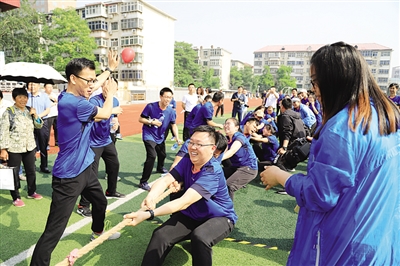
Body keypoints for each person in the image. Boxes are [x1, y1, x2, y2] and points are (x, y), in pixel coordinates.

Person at [260, 42, 400, 265]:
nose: (314, 89)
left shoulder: (342, 127)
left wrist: (280, 176)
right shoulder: (384, 116)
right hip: (378, 239)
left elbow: (320, 195)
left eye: (315, 82)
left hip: (342, 246)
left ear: (334, 80)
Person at [31, 50, 121, 266]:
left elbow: (94, 81)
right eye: (87, 80)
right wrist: (111, 94)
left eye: (93, 80)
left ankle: (97, 231)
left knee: (99, 201)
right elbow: (107, 113)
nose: (92, 84)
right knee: (54, 229)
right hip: (69, 175)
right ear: (73, 78)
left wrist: (108, 70)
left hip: (85, 167)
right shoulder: (76, 104)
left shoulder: (71, 94)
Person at [124, 125, 237, 266]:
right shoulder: (187, 160)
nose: (193, 147)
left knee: (200, 237)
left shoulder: (212, 171)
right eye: (191, 142)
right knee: (161, 235)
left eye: (199, 144)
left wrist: (149, 214)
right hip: (193, 213)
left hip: (218, 217)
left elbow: (182, 202)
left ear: (212, 148)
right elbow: (166, 179)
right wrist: (151, 196)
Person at [76, 78, 125, 217]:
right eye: (105, 87)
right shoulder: (94, 101)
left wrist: (115, 122)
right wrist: (109, 112)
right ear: (102, 87)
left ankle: (111, 190)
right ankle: (83, 205)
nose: (107, 90)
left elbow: (114, 117)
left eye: (111, 88)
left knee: (114, 165)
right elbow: (93, 117)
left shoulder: (114, 101)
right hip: (92, 143)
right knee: (92, 175)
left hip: (106, 139)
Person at [0, 87, 44, 207]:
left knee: (31, 171)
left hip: (29, 146)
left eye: (25, 97)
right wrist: (3, 149)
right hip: (14, 148)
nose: (23, 100)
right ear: (14, 98)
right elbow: (3, 131)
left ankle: (31, 191)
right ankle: (16, 197)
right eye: (20, 97)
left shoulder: (30, 110)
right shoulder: (9, 112)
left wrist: (35, 115)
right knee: (14, 173)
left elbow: (39, 126)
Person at [138, 87, 181, 191]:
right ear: (161, 97)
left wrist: (177, 137)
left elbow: (173, 125)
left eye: (170, 97)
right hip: (149, 135)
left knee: (162, 155)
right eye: (166, 97)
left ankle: (160, 168)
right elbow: (140, 119)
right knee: (152, 156)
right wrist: (151, 122)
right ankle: (143, 182)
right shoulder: (151, 106)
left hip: (160, 137)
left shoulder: (171, 111)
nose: (167, 99)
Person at [221, 117, 258, 200]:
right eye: (225, 124)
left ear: (236, 127)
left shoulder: (239, 136)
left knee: (229, 185)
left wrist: (217, 160)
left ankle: (227, 211)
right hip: (236, 167)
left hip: (249, 168)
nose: (225, 126)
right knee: (217, 174)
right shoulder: (227, 138)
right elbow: (224, 152)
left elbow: (232, 151)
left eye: (228, 124)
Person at [26, 82, 51, 173]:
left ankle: (44, 166)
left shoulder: (44, 96)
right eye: (30, 85)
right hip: (29, 122)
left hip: (42, 121)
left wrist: (37, 116)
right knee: (30, 145)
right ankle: (30, 165)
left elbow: (47, 109)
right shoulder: (26, 96)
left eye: (34, 85)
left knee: (43, 145)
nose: (32, 87)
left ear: (39, 86)